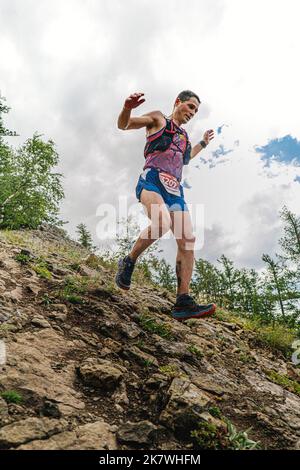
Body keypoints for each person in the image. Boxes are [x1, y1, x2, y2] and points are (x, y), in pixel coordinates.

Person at [115, 91, 216, 321]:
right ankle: (128, 261)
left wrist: (203, 143)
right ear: (178, 102)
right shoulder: (158, 119)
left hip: (175, 190)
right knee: (162, 223)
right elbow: (124, 125)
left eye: (196, 111)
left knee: (187, 241)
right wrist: (127, 107)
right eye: (190, 107)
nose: (192, 113)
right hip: (152, 181)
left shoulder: (184, 136)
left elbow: (186, 157)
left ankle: (183, 301)